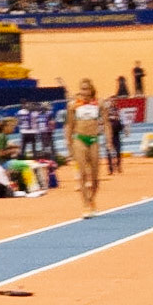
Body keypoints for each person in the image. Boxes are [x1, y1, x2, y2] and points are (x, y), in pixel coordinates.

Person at [64, 80, 105, 218]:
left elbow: (106, 123)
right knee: (82, 174)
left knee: (95, 179)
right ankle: (85, 205)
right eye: (82, 89)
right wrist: (68, 142)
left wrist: (109, 140)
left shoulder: (99, 104)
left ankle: (92, 200)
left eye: (87, 89)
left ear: (91, 90)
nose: (84, 92)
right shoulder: (73, 105)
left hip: (93, 140)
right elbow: (69, 125)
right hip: (79, 139)